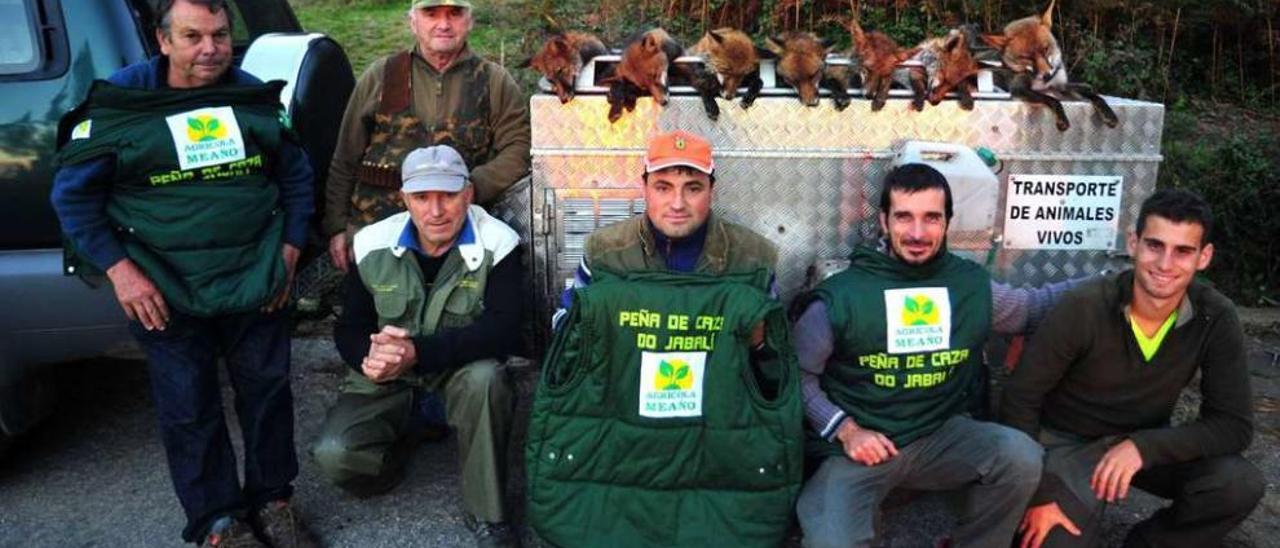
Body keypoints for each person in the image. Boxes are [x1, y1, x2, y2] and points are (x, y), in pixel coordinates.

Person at [48, 1, 316, 546]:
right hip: (163, 288)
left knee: (267, 393)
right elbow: (72, 199)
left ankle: (274, 500)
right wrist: (122, 273)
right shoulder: (123, 107)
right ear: (162, 39)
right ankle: (218, 520)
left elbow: (296, 178)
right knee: (188, 405)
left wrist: (289, 249)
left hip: (254, 280)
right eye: (193, 36)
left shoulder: (252, 99)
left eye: (219, 35)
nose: (210, 49)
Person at [528, 129, 802, 547]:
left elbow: (772, 355)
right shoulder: (604, 251)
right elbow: (565, 327)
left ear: (711, 189)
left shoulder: (753, 256)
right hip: (623, 402)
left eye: (692, 188)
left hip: (714, 408)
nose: (677, 203)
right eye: (664, 187)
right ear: (645, 188)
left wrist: (758, 341)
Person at [794, 164, 1073, 548]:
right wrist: (847, 430)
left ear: (947, 222)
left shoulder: (969, 285)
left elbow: (1032, 309)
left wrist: (1120, 280)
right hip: (861, 444)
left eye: (932, 218)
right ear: (883, 220)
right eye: (904, 217)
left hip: (939, 435)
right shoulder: (844, 296)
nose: (918, 233)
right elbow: (796, 375)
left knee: (1020, 457)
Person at [1001, 188, 1263, 548]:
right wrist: (1039, 492)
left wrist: (1144, 446)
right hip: (1066, 444)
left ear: (1204, 257)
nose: (1165, 264)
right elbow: (1020, 398)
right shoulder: (1085, 305)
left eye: (1183, 251)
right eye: (1155, 245)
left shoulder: (1215, 316)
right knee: (1052, 538)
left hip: (1141, 441)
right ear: (1133, 242)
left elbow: (1233, 426)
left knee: (1236, 484)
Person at [311, 145, 523, 548]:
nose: (436, 210)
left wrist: (419, 353)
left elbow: (504, 330)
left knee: (487, 380)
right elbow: (350, 326)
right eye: (422, 198)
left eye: (447, 195)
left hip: (455, 371)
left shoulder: (499, 242)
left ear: (468, 194)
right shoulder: (372, 242)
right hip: (391, 377)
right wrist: (366, 357)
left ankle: (488, 517)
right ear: (404, 199)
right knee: (336, 456)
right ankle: (405, 439)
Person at [323, 0, 531, 275]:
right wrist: (337, 226)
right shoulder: (382, 76)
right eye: (430, 14)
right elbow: (346, 156)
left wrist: (473, 187)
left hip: (460, 232)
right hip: (379, 228)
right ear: (413, 22)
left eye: (455, 14)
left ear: (469, 21)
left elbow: (518, 148)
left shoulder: (494, 81)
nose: (443, 24)